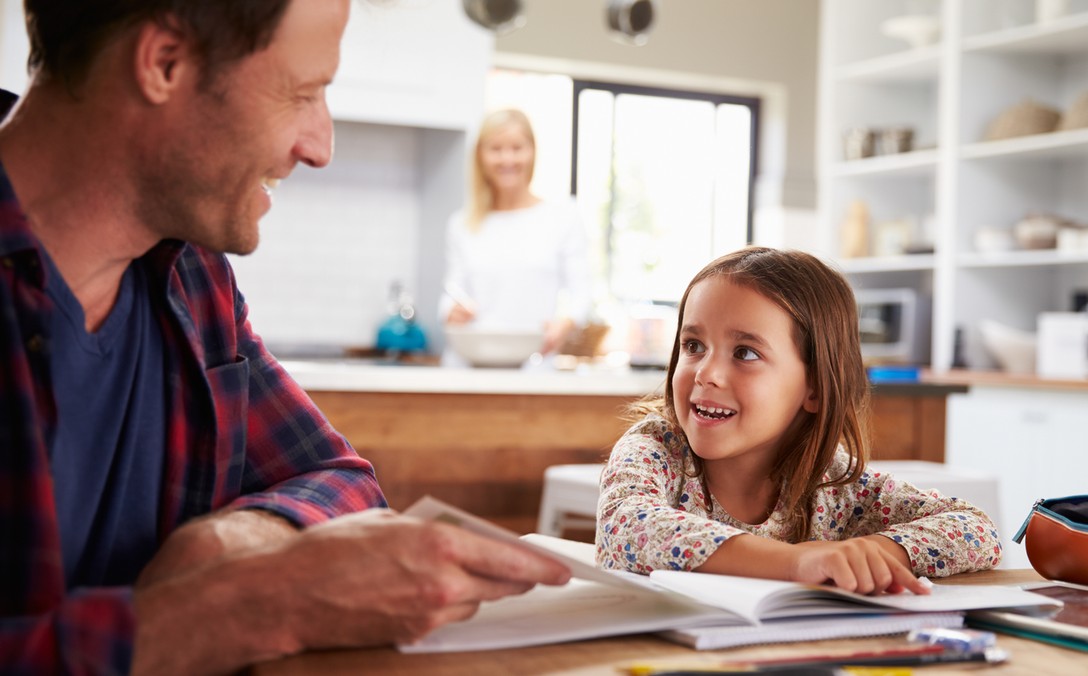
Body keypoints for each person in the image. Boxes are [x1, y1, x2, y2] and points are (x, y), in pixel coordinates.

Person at [0, 1, 569, 673]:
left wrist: (233, 541)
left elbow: (337, 477)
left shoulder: (193, 276)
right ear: (164, 64)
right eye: (303, 93)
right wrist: (248, 606)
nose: (320, 147)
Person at [595, 247, 1002, 593]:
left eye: (745, 353)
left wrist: (868, 556)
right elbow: (627, 528)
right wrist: (795, 563)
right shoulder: (655, 450)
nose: (706, 374)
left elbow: (974, 530)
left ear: (815, 388)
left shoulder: (832, 479)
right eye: (694, 345)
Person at [439, 108, 591, 359]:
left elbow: (581, 291)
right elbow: (450, 294)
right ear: (480, 155)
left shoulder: (563, 218)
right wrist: (452, 312)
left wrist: (565, 323)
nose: (507, 159)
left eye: (517, 148)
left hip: (534, 364)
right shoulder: (461, 224)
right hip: (470, 366)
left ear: (532, 152)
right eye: (496, 149)